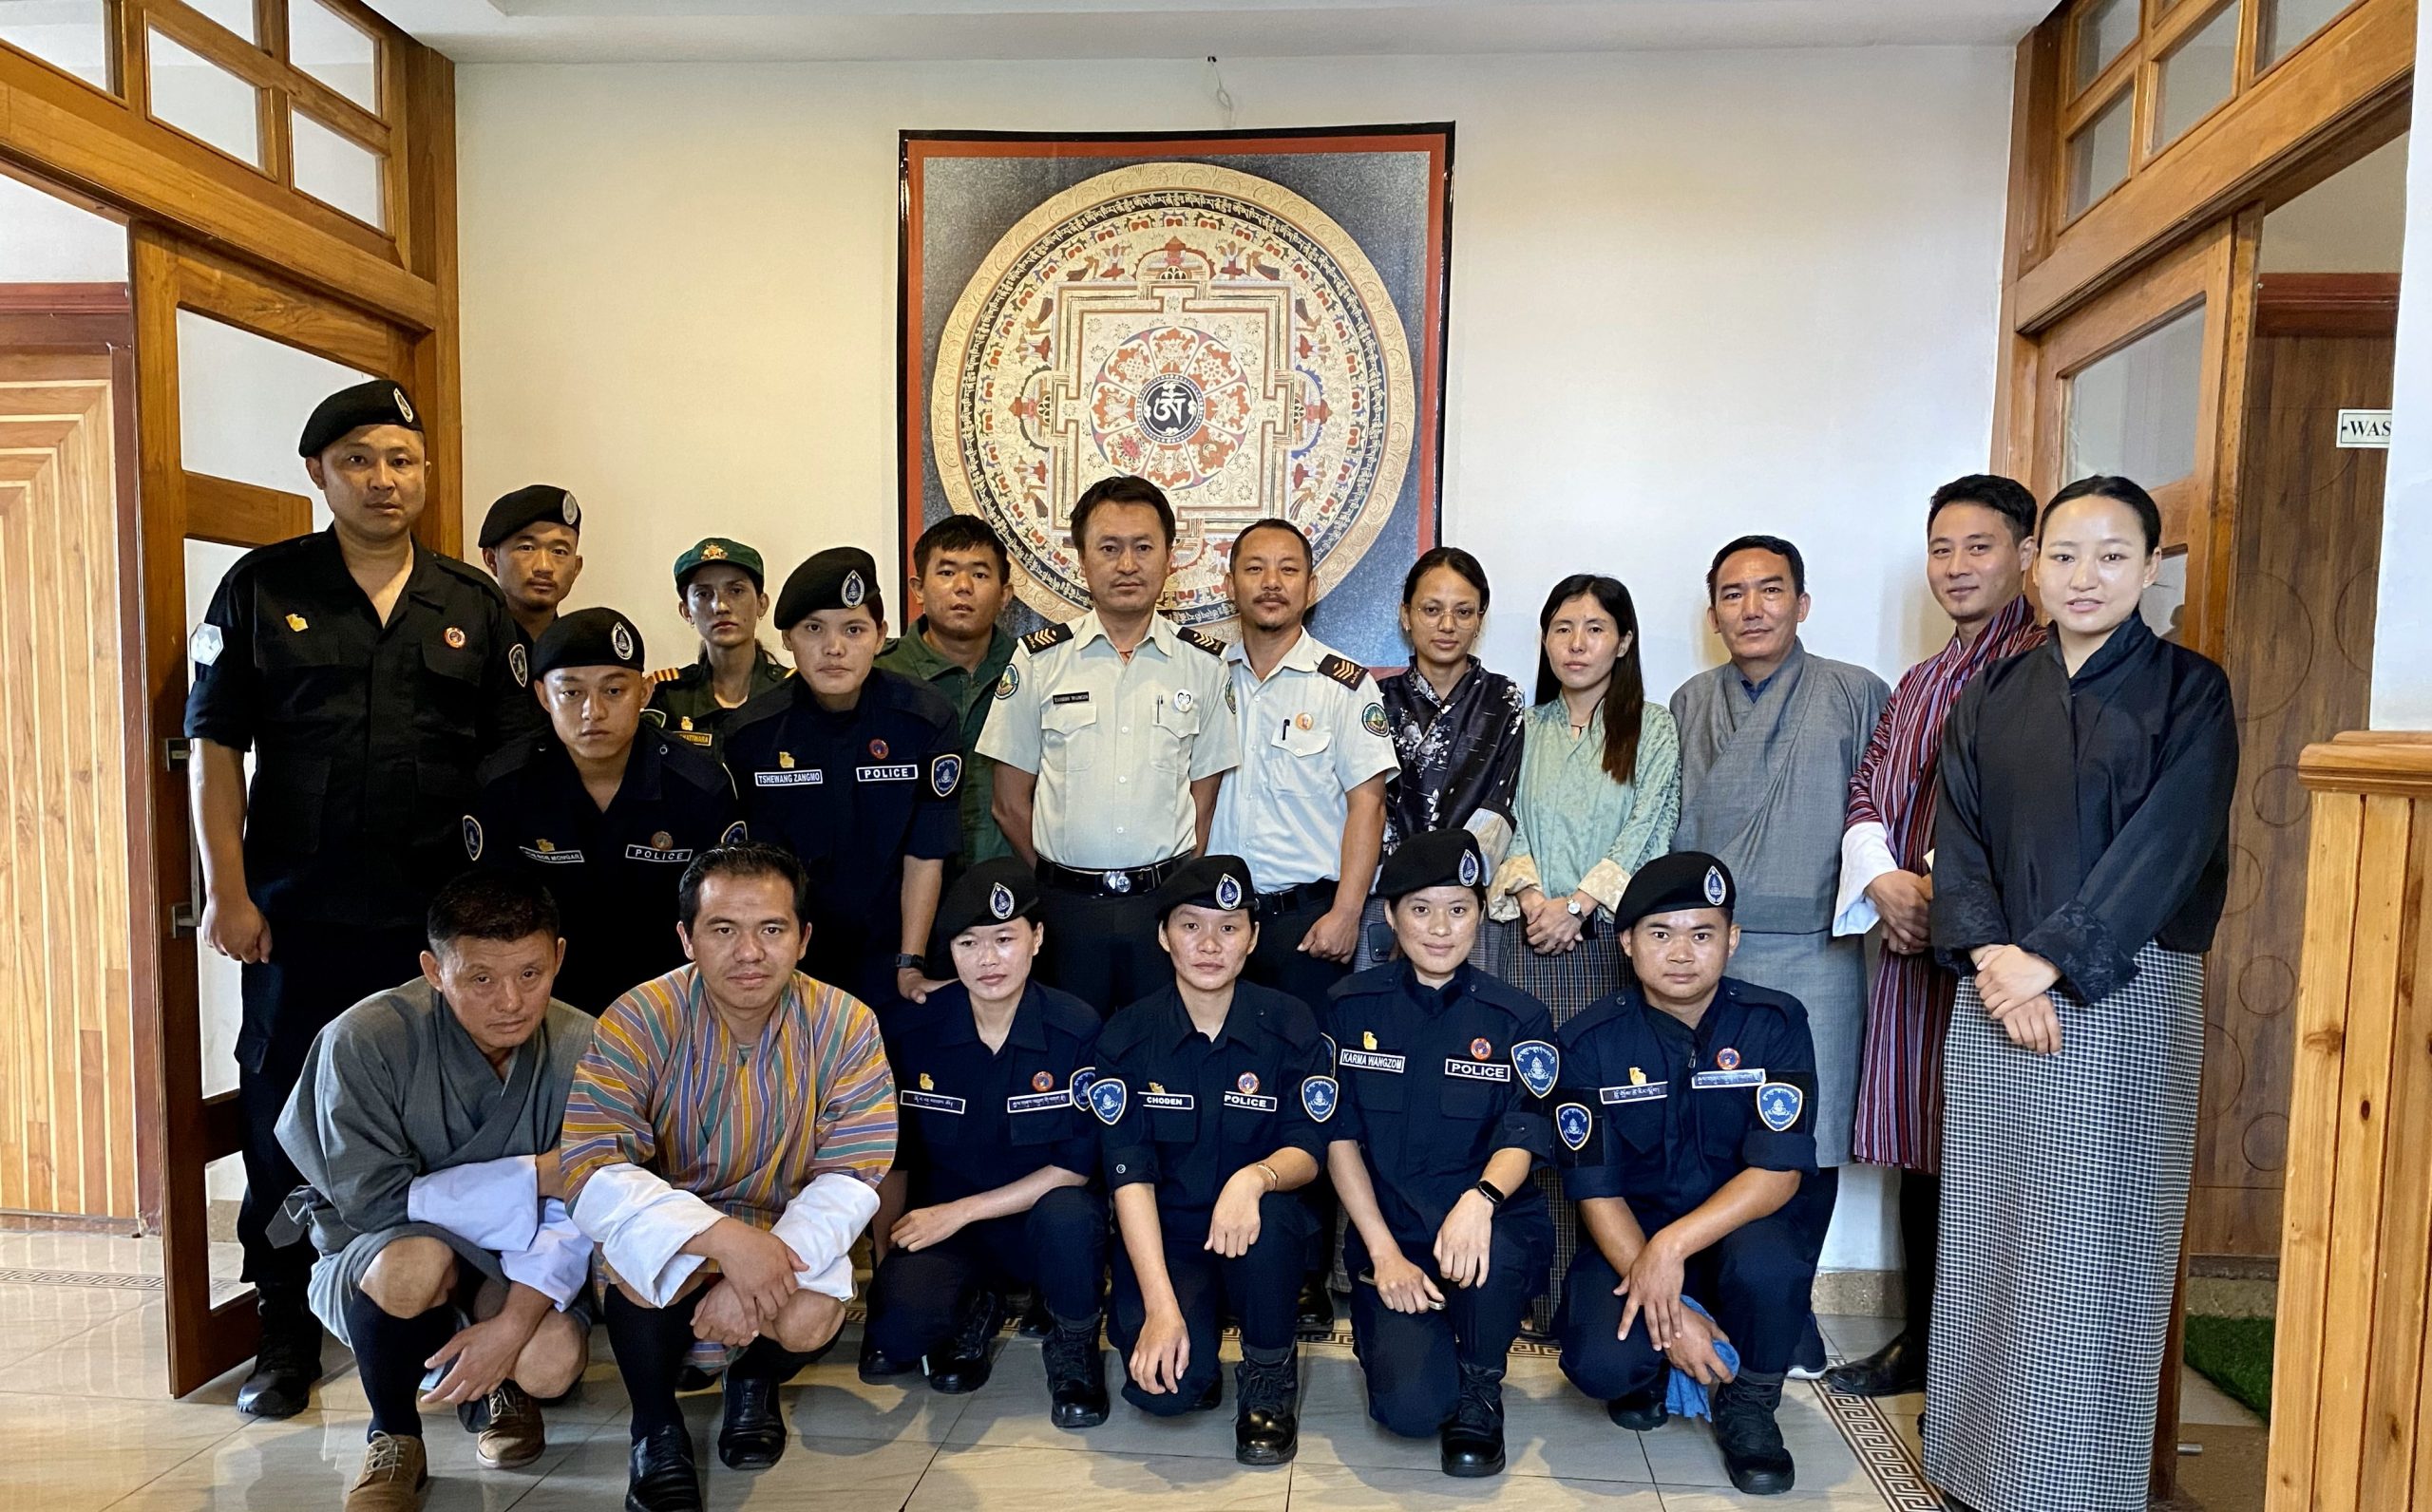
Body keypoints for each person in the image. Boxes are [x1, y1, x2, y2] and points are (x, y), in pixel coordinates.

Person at [185, 379, 539, 1419]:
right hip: (296, 914)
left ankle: (453, 1336)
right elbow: (214, 748)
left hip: (435, 929)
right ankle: (284, 1331)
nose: (385, 480)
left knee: (456, 1123)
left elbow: (509, 764)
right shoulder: (261, 586)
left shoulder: (469, 602)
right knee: (284, 1117)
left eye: (402, 460)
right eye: (359, 460)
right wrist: (226, 889)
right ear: (317, 474)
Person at [1923, 476, 2236, 1512]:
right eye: (2063, 554)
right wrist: (1988, 960)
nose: (2083, 576)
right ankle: (1974, 1465)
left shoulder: (2191, 691)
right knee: (1991, 1234)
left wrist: (2048, 958)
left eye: (2110, 555)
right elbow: (1957, 840)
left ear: (2151, 567)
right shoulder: (1993, 692)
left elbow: (2168, 845)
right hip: (1992, 993)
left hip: (2122, 998)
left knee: (2096, 1247)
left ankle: (2070, 1484)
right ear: (2034, 565)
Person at [560, 843, 899, 1512]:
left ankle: (754, 1381)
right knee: (639, 1267)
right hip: (674, 1222)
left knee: (809, 1318)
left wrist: (758, 1269)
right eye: (723, 930)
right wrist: (719, 1240)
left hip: (783, 1224)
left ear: (802, 939)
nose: (749, 952)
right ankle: (654, 1426)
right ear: (687, 938)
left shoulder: (847, 1024)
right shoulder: (638, 1017)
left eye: (771, 930)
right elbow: (593, 1167)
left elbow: (854, 1172)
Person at [274, 873, 597, 1512]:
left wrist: (512, 1327)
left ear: (558, 956)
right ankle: (393, 1433)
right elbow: (373, 1203)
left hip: (518, 1256)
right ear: (433, 969)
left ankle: (505, 1387)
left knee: (551, 1360)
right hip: (382, 1256)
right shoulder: (365, 1041)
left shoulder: (585, 1045)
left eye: (531, 974)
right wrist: (534, 1173)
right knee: (415, 1262)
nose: (511, 1001)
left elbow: (581, 1206)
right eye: (481, 979)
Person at [1823, 476, 2044, 1399]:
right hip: (1912, 940)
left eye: (1978, 546)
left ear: (2025, 554)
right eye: (1942, 548)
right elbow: (1870, 785)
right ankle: (1921, 1341)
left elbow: (2021, 808)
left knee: (1991, 1146)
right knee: (1922, 1140)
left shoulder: (2042, 663)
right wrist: (1883, 880)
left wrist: (1936, 885)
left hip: (1998, 950)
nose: (1956, 566)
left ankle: (1983, 1360)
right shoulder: (1917, 680)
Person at [1552, 852, 1830, 1498]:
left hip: (1736, 1234)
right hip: (1632, 1240)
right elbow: (1596, 1188)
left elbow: (1777, 1177)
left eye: (1702, 934)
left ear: (1731, 940)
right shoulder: (1589, 1043)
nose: (1682, 953)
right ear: (1626, 943)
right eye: (1660, 934)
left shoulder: (1775, 1025)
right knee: (1600, 1363)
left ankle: (1751, 1405)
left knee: (1770, 1265)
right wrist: (1669, 1310)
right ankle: (1649, 1371)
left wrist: (1671, 1250)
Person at [1669, 535, 1887, 1327]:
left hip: (1816, 950)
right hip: (1706, 952)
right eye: (1733, 593)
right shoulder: (1691, 702)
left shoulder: (1857, 692)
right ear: (1714, 611)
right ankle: (1712, 1307)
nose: (1752, 608)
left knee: (1811, 1131)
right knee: (1713, 1128)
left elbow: (1880, 817)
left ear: (1802, 602)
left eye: (1770, 590)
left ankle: (1786, 1315)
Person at [1207, 518, 1399, 1335]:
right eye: (1256, 569)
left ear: (1312, 586)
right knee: (1214, 1088)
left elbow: (1369, 802)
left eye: (1289, 570)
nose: (1273, 583)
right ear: (1232, 583)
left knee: (1309, 1096)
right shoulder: (1197, 672)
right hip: (1214, 923)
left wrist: (1350, 909)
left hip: (1306, 921)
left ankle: (1307, 1271)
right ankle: (1216, 1249)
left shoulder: (1343, 683)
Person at [1325, 828, 1556, 1478]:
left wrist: (1479, 1202)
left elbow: (1523, 1131)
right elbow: (1337, 1138)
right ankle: (1409, 1343)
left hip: (1484, 1226)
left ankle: (1482, 1389)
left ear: (1480, 917)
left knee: (1498, 1245)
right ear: (1391, 916)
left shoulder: (1518, 1018)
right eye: (1421, 909)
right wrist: (1383, 1253)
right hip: (1392, 1237)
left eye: (1458, 909)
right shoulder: (1348, 1009)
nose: (1440, 928)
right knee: (1411, 1409)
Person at [1482, 575, 1680, 1317]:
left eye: (1595, 628)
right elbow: (1505, 821)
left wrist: (1583, 903)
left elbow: (1650, 824)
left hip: (1603, 947)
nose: (1577, 643)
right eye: (1562, 627)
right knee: (1523, 1108)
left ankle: (1587, 1292)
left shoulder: (1652, 727)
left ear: (1623, 641)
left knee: (1593, 1114)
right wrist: (1534, 897)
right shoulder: (1522, 726)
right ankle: (1526, 1289)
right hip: (1523, 941)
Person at [1091, 856, 1330, 1465]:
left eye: (1228, 927)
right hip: (1168, 1238)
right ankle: (1193, 1338)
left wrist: (1255, 1177)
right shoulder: (1126, 1037)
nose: (1209, 944)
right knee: (1166, 1394)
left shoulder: (1288, 1022)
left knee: (1274, 1219)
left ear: (1251, 938)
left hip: (1253, 1232)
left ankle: (1269, 1376)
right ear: (1163, 936)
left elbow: (1309, 1147)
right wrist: (1162, 1311)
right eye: (1191, 926)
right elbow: (1130, 1179)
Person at [860, 859, 1110, 1427]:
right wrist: (886, 1266)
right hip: (950, 1232)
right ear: (949, 951)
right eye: (969, 943)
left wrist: (960, 1211)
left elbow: (1073, 1167)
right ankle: (977, 1301)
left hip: (1037, 1222)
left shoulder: (1076, 1028)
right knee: (899, 1333)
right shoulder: (912, 1032)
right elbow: (893, 1161)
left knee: (1072, 1215)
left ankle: (1072, 1346)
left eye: (1005, 938)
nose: (989, 960)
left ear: (1037, 939)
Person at [978, 475, 1242, 1012]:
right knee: (1070, 1060)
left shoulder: (1205, 665)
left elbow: (1204, 803)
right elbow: (1008, 804)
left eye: (1143, 547)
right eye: (1109, 548)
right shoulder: (1039, 660)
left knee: (1158, 1064)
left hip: (1164, 910)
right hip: (1063, 912)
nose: (1127, 565)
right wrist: (1059, 880)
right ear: (1082, 559)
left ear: (1169, 558)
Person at [466, 608, 745, 1012]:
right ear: (544, 695)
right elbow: (491, 917)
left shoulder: (699, 786)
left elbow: (725, 916)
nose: (592, 712)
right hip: (544, 1005)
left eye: (614, 691)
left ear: (644, 693)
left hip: (672, 1006)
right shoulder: (505, 784)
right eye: (571, 692)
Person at [722, 547, 961, 1009]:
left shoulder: (924, 719)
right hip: (792, 954)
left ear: (880, 636)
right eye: (814, 629)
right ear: (788, 638)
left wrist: (909, 962)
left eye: (854, 630)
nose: (834, 648)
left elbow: (926, 851)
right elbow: (754, 868)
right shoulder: (753, 733)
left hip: (898, 946)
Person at [1366, 547, 1528, 969]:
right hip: (1389, 892)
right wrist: (1407, 888)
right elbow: (1367, 806)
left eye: (1463, 612)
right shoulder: (1374, 699)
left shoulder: (1504, 698)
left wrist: (1452, 887)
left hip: (1467, 896)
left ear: (1480, 618)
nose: (1447, 625)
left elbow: (1500, 803)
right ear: (1406, 614)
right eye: (1431, 609)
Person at [875, 515, 1019, 870]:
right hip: (903, 884)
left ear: (1005, 595)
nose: (963, 586)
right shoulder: (880, 675)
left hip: (1010, 890)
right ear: (918, 588)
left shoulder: (1036, 671)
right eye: (946, 572)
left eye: (980, 574)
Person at [646, 538, 792, 763]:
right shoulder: (667, 698)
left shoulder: (792, 691)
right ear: (686, 611)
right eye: (704, 594)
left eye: (736, 590)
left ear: (762, 604)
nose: (720, 606)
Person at [477, 484, 583, 648]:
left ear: (576, 568)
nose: (544, 567)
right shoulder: (472, 645)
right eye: (526, 548)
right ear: (491, 560)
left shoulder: (578, 654)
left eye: (559, 551)